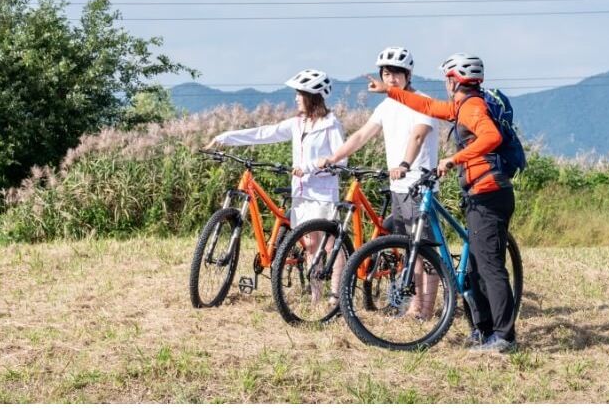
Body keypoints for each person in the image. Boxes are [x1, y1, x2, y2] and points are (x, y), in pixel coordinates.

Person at [367, 52, 517, 352]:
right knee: (474, 269)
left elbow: (490, 137)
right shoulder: (462, 106)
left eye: (446, 79)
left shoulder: (472, 108)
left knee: (489, 268)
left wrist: (453, 159)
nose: (444, 84)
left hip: (489, 193)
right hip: (478, 194)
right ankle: (482, 330)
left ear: (453, 80)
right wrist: (391, 91)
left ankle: (504, 337)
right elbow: (427, 106)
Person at [317, 47, 440, 321]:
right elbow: (361, 135)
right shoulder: (386, 106)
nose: (391, 78)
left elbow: (418, 136)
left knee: (426, 249)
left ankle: (427, 310)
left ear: (408, 75)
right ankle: (414, 306)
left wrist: (405, 165)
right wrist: (333, 158)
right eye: (387, 73)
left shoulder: (424, 102)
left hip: (420, 186)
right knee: (411, 249)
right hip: (399, 188)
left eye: (396, 73)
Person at [204, 68, 346, 303]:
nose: (296, 98)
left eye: (299, 94)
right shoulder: (297, 124)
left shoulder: (331, 124)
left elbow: (341, 160)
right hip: (301, 192)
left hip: (323, 193)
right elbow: (263, 133)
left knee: (330, 244)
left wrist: (311, 166)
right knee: (310, 245)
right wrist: (225, 137)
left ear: (312, 96)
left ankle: (336, 297)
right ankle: (315, 296)